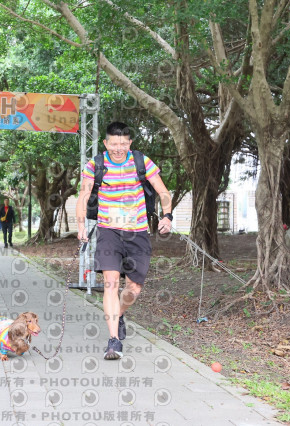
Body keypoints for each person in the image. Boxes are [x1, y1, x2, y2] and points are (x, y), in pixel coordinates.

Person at [76, 121, 174, 361]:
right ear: (105, 143)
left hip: (137, 232)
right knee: (110, 283)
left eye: (123, 144)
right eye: (113, 144)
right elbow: (84, 195)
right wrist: (80, 225)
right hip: (108, 231)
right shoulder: (95, 165)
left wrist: (167, 216)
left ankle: (119, 314)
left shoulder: (141, 161)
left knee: (133, 289)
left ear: (129, 143)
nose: (118, 148)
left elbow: (163, 192)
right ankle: (113, 341)